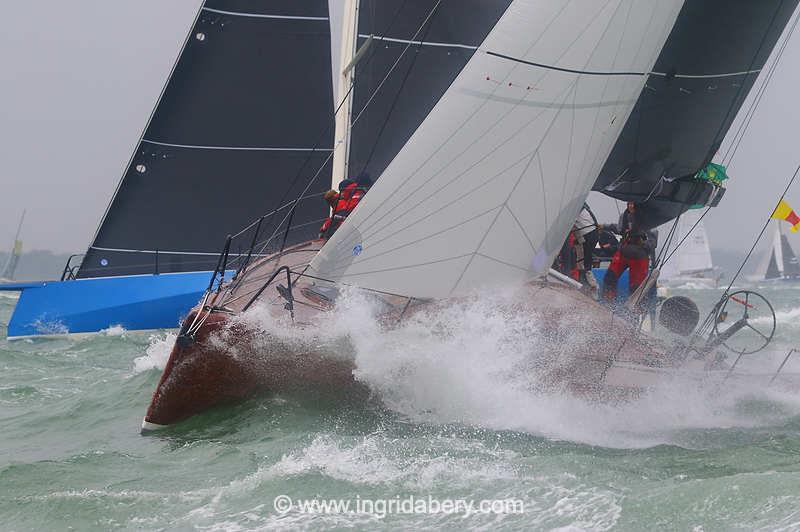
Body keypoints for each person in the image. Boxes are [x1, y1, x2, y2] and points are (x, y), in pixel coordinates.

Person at [600, 201, 653, 305]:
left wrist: (644, 244)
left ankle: (636, 312)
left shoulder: (648, 220)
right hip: (624, 252)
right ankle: (608, 304)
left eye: (633, 204)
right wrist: (604, 226)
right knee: (610, 277)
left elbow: (652, 240)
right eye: (629, 203)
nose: (631, 206)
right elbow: (619, 229)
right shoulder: (625, 216)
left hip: (639, 256)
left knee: (636, 287)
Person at [318, 173, 373, 239]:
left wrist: (323, 228)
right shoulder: (352, 196)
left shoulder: (353, 197)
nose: (341, 195)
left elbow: (346, 211)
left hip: (357, 228)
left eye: (342, 192)